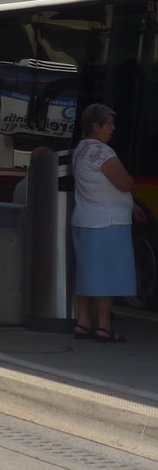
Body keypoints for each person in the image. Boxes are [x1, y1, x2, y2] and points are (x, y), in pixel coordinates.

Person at [70, 103, 142, 342]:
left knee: (88, 274)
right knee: (107, 277)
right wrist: (130, 196)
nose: (113, 128)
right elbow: (125, 183)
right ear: (95, 126)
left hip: (85, 220)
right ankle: (103, 326)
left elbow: (102, 189)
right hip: (108, 224)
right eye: (109, 123)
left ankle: (83, 322)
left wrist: (132, 206)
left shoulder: (80, 150)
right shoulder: (102, 152)